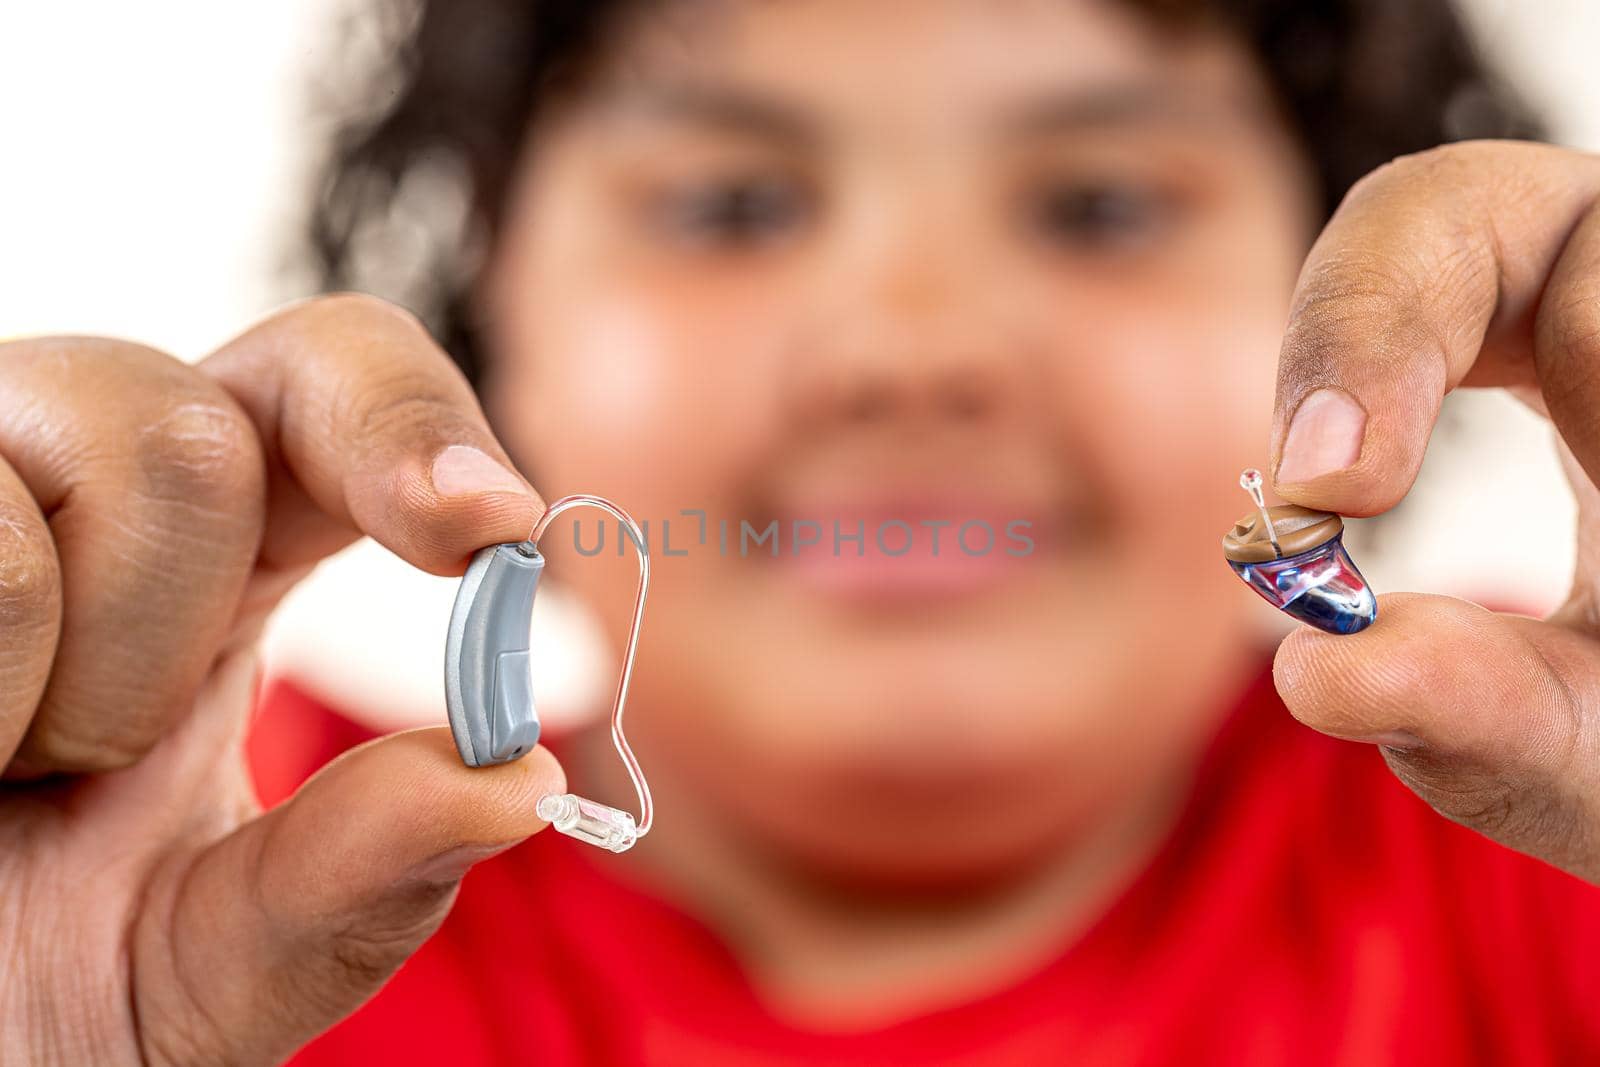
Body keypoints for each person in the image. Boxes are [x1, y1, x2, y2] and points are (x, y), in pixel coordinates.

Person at [5, 0, 1600, 1063]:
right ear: (497, 326)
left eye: (1102, 204)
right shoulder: (167, 870)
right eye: (732, 207)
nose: (912, 347)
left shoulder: (1543, 841)